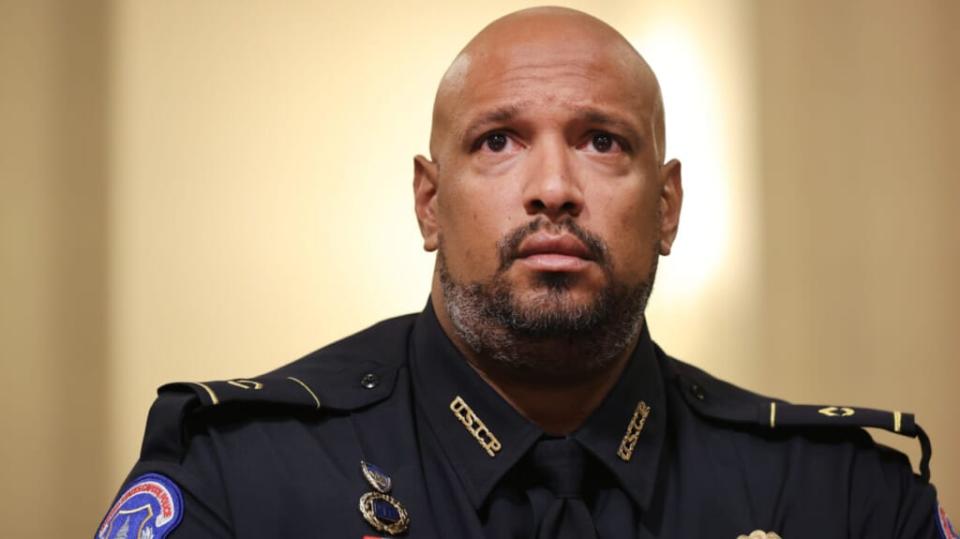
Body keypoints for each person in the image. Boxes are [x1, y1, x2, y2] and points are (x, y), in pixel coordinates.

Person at [96, 6, 955, 539]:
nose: (553, 189)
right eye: (498, 141)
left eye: (601, 141)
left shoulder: (842, 499)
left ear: (667, 206)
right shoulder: (242, 478)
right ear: (429, 203)